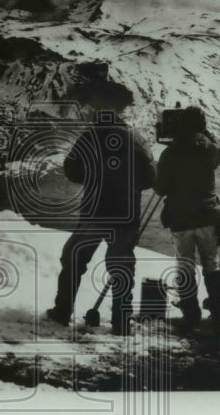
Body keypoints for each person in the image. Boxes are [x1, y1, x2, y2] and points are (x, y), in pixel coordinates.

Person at [46, 94, 156, 334]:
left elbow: (72, 170)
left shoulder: (90, 137)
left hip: (95, 213)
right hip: (126, 216)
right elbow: (150, 179)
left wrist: (94, 178)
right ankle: (120, 323)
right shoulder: (137, 139)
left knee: (73, 259)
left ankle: (62, 312)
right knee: (121, 267)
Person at [153, 106, 220, 332]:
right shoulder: (209, 149)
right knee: (211, 265)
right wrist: (206, 135)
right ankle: (218, 315)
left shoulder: (170, 153)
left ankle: (190, 315)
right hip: (208, 216)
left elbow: (160, 188)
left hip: (181, 218)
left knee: (185, 266)